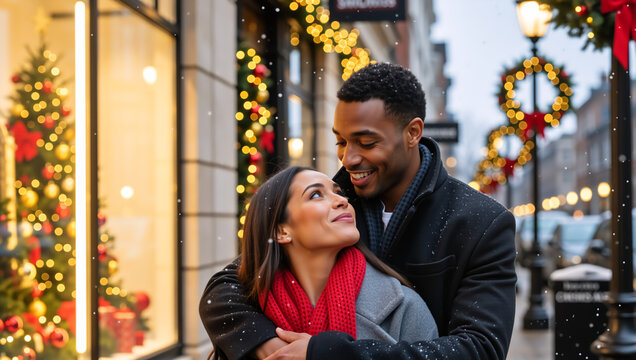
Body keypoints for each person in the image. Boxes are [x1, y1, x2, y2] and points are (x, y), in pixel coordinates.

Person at [200, 63, 516, 360]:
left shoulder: (480, 222)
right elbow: (227, 287)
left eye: (365, 142)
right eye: (340, 141)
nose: (348, 158)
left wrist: (333, 353)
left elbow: (481, 348)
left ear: (413, 133)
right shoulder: (338, 200)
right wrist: (269, 346)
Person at [225, 166, 437, 360]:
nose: (341, 200)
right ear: (281, 231)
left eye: (339, 192)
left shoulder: (404, 309)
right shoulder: (250, 315)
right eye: (316, 194)